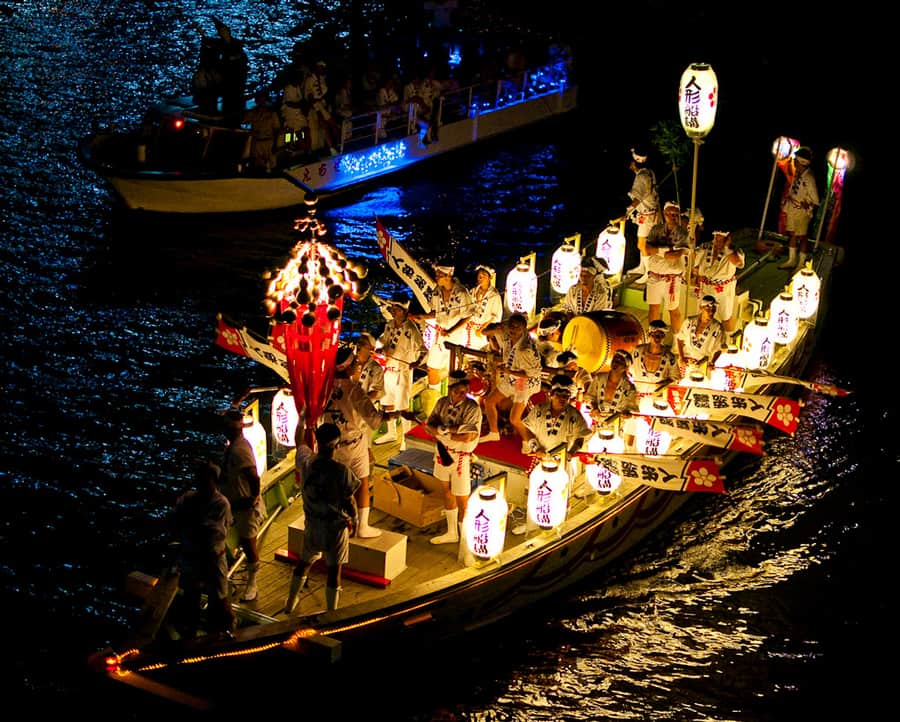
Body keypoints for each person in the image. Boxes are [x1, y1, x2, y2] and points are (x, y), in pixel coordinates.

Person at [321, 345, 402, 538]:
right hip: (353, 443)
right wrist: (396, 414)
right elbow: (373, 418)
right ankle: (362, 526)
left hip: (330, 445)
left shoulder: (323, 387)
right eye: (355, 363)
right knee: (361, 482)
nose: (357, 366)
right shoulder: (353, 390)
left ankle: (334, 523)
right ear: (349, 367)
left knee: (334, 485)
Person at [285, 421, 359, 614]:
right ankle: (331, 612)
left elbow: (298, 440)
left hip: (312, 522)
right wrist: (355, 519)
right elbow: (349, 501)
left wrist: (301, 419)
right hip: (335, 527)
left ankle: (290, 603)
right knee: (334, 570)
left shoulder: (306, 461)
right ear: (336, 445)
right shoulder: (341, 472)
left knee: (304, 562)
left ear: (317, 442)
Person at [170, 460, 235, 637]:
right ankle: (192, 632)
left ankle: (224, 629)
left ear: (214, 481)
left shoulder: (220, 503)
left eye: (206, 480)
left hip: (211, 558)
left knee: (219, 599)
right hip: (195, 558)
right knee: (192, 597)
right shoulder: (189, 499)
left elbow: (210, 533)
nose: (202, 484)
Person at [424, 369, 483, 545]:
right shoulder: (442, 402)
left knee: (463, 498)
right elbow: (429, 425)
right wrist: (443, 432)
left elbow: (468, 436)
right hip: (442, 452)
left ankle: (465, 537)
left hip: (461, 456)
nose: (461, 395)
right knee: (447, 491)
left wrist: (444, 431)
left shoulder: (472, 408)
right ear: (450, 389)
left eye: (464, 392)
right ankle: (452, 532)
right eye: (457, 391)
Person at [411, 264, 474, 407]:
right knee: (431, 366)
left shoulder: (462, 293)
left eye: (439, 275)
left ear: (448, 276)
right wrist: (423, 316)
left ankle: (455, 402)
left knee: (455, 371)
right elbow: (436, 312)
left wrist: (451, 330)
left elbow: (467, 316)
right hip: (440, 335)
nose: (436, 277)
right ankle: (436, 401)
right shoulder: (436, 292)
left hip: (456, 336)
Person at [219, 409, 265, 602]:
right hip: (235, 503)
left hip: (245, 505)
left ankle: (253, 582)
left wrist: (253, 497)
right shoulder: (234, 446)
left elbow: (253, 476)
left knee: (249, 543)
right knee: (244, 541)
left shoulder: (239, 449)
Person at [480, 313, 543, 451]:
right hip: (511, 377)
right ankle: (494, 432)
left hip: (523, 382)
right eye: (511, 326)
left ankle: (528, 441)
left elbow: (531, 375)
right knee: (489, 402)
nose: (513, 329)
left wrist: (509, 372)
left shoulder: (525, 349)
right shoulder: (507, 336)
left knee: (514, 419)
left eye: (517, 327)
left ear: (524, 329)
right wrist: (499, 327)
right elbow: (483, 332)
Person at [374, 295, 426, 448]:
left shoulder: (411, 329)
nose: (393, 312)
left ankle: (405, 437)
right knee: (388, 403)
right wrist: (379, 347)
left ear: (404, 311)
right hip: (388, 369)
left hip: (402, 371)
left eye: (397, 309)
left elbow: (423, 349)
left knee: (403, 406)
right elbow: (383, 340)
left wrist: (417, 362)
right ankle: (391, 433)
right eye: (393, 309)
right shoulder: (389, 325)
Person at [645, 201, 690, 334]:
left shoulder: (683, 234)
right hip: (654, 274)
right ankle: (651, 335)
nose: (673, 216)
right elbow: (647, 249)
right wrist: (667, 250)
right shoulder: (656, 229)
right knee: (653, 308)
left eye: (676, 214)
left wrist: (658, 250)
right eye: (670, 213)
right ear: (664, 214)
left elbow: (675, 255)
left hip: (672, 278)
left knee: (673, 310)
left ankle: (677, 340)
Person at [620, 146, 661, 282]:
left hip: (648, 214)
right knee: (640, 243)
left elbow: (637, 198)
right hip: (649, 214)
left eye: (631, 163)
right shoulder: (649, 172)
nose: (630, 165)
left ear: (634, 163)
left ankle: (648, 272)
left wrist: (627, 211)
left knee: (644, 244)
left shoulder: (641, 177)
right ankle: (642, 267)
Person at [693, 229, 745, 333]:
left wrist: (726, 248)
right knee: (704, 314)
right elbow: (695, 265)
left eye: (720, 237)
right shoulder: (705, 246)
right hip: (706, 286)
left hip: (723, 289)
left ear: (727, 238)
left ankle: (728, 340)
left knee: (725, 316)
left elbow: (738, 263)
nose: (717, 239)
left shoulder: (734, 251)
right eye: (716, 236)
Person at [777, 146, 820, 270]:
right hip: (792, 208)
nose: (794, 162)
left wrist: (807, 204)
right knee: (792, 234)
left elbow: (816, 199)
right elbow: (793, 190)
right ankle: (791, 260)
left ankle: (801, 263)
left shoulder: (809, 178)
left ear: (802, 162)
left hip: (802, 212)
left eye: (796, 160)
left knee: (802, 236)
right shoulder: (798, 173)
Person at [585, 349, 639, 428]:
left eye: (620, 362)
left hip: (618, 423)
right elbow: (590, 397)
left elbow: (630, 408)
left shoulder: (629, 388)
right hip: (597, 420)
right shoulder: (599, 378)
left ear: (625, 367)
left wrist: (627, 414)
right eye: (615, 359)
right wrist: (594, 407)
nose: (615, 363)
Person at [630, 319, 683, 399]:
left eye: (661, 335)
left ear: (664, 337)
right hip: (636, 396)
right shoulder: (637, 352)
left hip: (658, 399)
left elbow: (676, 378)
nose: (657, 337)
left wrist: (665, 383)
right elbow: (627, 371)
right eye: (655, 334)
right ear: (649, 334)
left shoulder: (670, 358)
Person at [676, 295, 726, 377]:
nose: (711, 311)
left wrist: (712, 362)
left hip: (703, 363)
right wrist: (681, 357)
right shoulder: (689, 321)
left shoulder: (718, 328)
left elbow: (718, 348)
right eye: (708, 308)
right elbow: (680, 339)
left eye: (713, 308)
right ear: (701, 308)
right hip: (686, 360)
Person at [212, 18, 249, 120]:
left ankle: (237, 117)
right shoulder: (219, 44)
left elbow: (243, 56)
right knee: (227, 99)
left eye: (224, 31)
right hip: (226, 77)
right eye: (221, 32)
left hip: (237, 76)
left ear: (228, 31)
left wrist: (236, 57)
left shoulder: (236, 43)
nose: (223, 33)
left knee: (237, 98)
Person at [463, 264, 503, 351]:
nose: (480, 278)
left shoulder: (494, 295)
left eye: (484, 276)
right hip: (470, 327)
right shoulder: (473, 291)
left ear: (490, 278)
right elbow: (467, 308)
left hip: (483, 330)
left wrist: (482, 329)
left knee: (479, 353)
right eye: (479, 275)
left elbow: (495, 317)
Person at [303, 60, 339, 155]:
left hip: (322, 104)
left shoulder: (322, 78)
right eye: (320, 67)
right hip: (315, 106)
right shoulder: (309, 79)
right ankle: (331, 147)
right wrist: (316, 109)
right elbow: (309, 95)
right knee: (324, 126)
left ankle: (336, 144)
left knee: (332, 124)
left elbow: (325, 91)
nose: (321, 69)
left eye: (322, 67)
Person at [242, 91, 282, 173]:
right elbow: (243, 122)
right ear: (257, 101)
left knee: (271, 167)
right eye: (259, 100)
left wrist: (275, 144)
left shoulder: (272, 113)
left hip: (269, 142)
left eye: (263, 100)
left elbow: (276, 129)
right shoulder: (252, 113)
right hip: (257, 143)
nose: (261, 102)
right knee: (257, 167)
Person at [279, 65, 311, 154]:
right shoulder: (288, 88)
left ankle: (308, 150)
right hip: (291, 115)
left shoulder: (298, 87)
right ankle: (305, 152)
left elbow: (300, 100)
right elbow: (289, 103)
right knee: (298, 134)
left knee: (306, 130)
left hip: (299, 113)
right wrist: (300, 105)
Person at [192, 37, 223, 116]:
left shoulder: (209, 53)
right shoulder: (211, 53)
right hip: (208, 80)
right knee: (208, 102)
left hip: (208, 81)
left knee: (208, 102)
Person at [334, 75, 355, 142]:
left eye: (350, 83)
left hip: (346, 110)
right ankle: (345, 137)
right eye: (348, 83)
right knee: (349, 114)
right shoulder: (343, 91)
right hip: (340, 111)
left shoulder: (348, 91)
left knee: (350, 114)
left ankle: (348, 137)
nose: (350, 84)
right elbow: (343, 105)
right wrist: (352, 108)